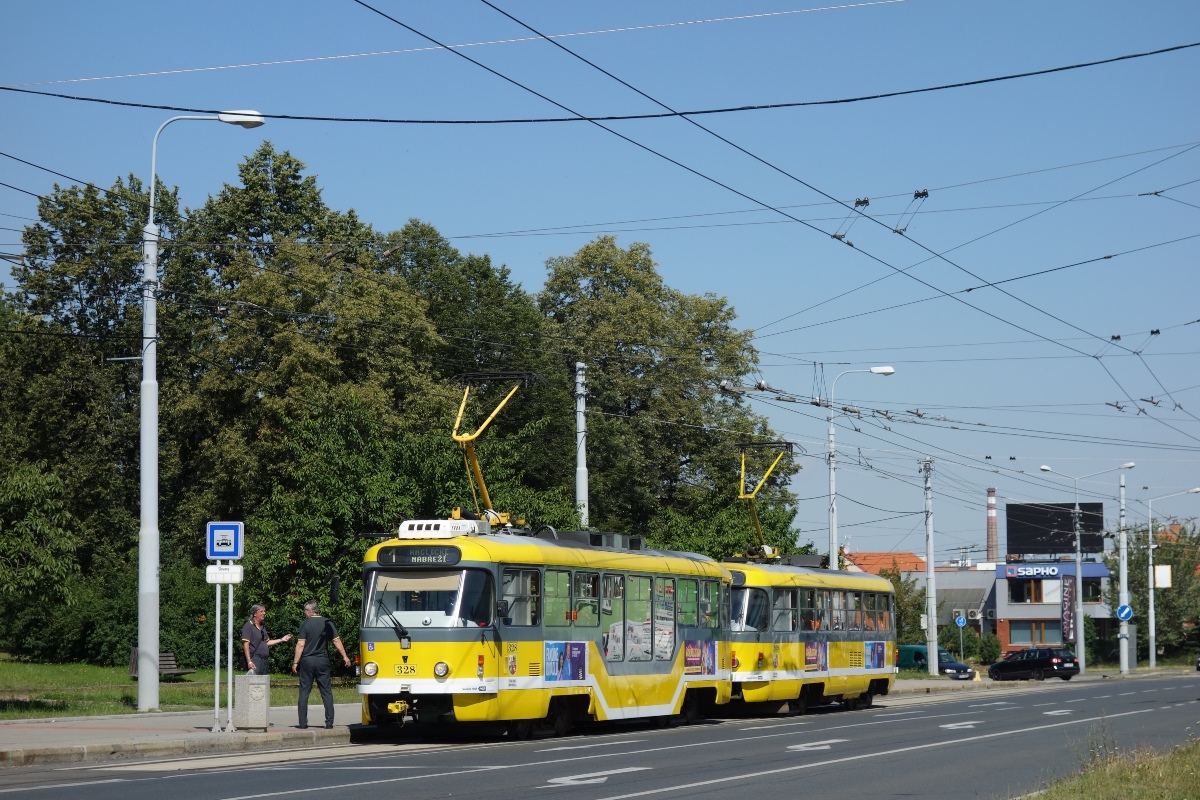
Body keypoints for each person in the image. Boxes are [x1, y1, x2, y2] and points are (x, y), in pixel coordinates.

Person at [292, 600, 352, 729]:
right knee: (326, 692)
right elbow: (336, 641)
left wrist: (296, 662)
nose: (305, 614)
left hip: (307, 661)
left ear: (309, 611)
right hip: (322, 661)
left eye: (305, 612)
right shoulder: (327, 622)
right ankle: (329, 722)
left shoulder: (305, 624)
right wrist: (345, 657)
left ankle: (303, 723)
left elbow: (301, 644)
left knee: (304, 692)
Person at [241, 603, 291, 674]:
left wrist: (281, 639)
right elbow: (246, 645)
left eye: (264, 611)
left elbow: (267, 642)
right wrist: (249, 661)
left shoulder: (262, 627)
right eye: (261, 611)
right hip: (255, 659)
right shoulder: (248, 626)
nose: (264, 613)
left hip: (264, 660)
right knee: (255, 683)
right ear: (255, 614)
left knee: (263, 683)